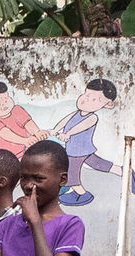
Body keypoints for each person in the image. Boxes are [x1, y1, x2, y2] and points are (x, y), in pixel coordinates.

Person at [50, 78, 124, 206]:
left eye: (94, 99)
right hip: (79, 149)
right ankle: (122, 171)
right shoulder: (76, 113)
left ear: (108, 104)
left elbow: (80, 127)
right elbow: (65, 121)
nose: (86, 99)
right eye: (86, 94)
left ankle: (82, 194)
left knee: (72, 173)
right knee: (98, 164)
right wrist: (55, 130)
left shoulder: (92, 117)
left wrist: (67, 134)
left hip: (78, 151)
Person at [0, 82, 45, 157]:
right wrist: (24, 141)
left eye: (6, 99)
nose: (4, 104)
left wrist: (37, 133)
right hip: (8, 158)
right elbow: (6, 134)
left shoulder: (17, 110)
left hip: (27, 152)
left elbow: (28, 123)